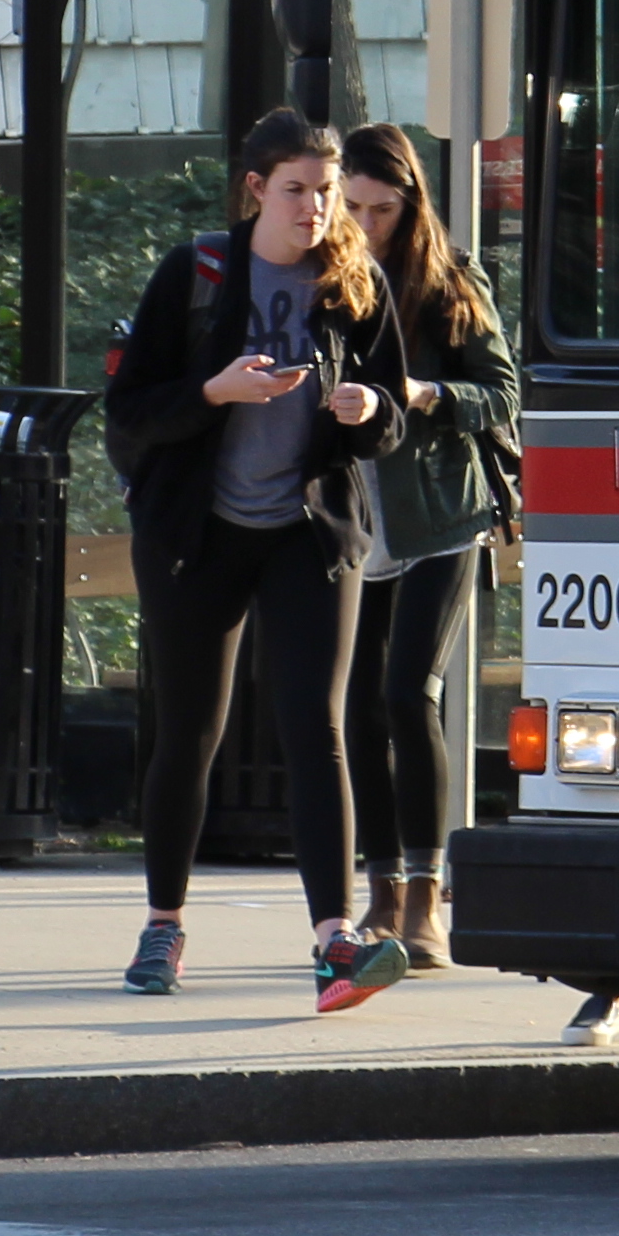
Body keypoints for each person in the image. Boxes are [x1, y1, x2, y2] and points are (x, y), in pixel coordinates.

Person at [100, 106, 412, 1006]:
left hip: (307, 533)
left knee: (316, 728)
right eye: (297, 192)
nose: (315, 210)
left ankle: (335, 944)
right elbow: (132, 411)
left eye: (325, 193)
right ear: (256, 190)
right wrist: (214, 390)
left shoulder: (354, 283)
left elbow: (390, 414)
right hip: (196, 536)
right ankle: (163, 929)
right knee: (189, 731)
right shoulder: (196, 272)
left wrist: (366, 413)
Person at [337, 122, 517, 974]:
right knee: (356, 707)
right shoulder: (320, 276)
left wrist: (426, 391)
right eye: (353, 207)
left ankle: (424, 899)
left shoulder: (448, 278)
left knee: (410, 693)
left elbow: (503, 392)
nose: (366, 224)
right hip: (353, 514)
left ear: (412, 205)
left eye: (383, 209)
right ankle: (375, 892)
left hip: (441, 512)